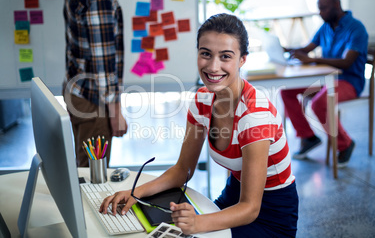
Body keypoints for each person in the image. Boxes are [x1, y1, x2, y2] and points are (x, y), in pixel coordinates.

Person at [100, 13, 299, 237]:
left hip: (270, 211)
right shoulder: (202, 99)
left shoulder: (254, 116)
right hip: (235, 195)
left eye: (225, 56)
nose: (213, 67)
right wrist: (135, 193)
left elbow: (250, 208)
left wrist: (197, 223)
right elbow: (182, 169)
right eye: (206, 54)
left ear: (242, 60)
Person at [281, 0, 368, 167]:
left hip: (349, 81)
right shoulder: (326, 26)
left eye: (324, 8)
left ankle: (345, 144)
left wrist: (314, 59)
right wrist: (289, 50)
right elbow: (307, 48)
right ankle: (308, 137)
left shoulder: (356, 28)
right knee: (287, 92)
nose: (320, 13)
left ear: (337, 5)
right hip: (325, 79)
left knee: (319, 103)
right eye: (319, 8)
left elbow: (347, 63)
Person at [61, 0, 127, 167]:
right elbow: (103, 63)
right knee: (93, 176)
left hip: (78, 90)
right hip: (94, 100)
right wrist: (115, 113)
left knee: (84, 168)